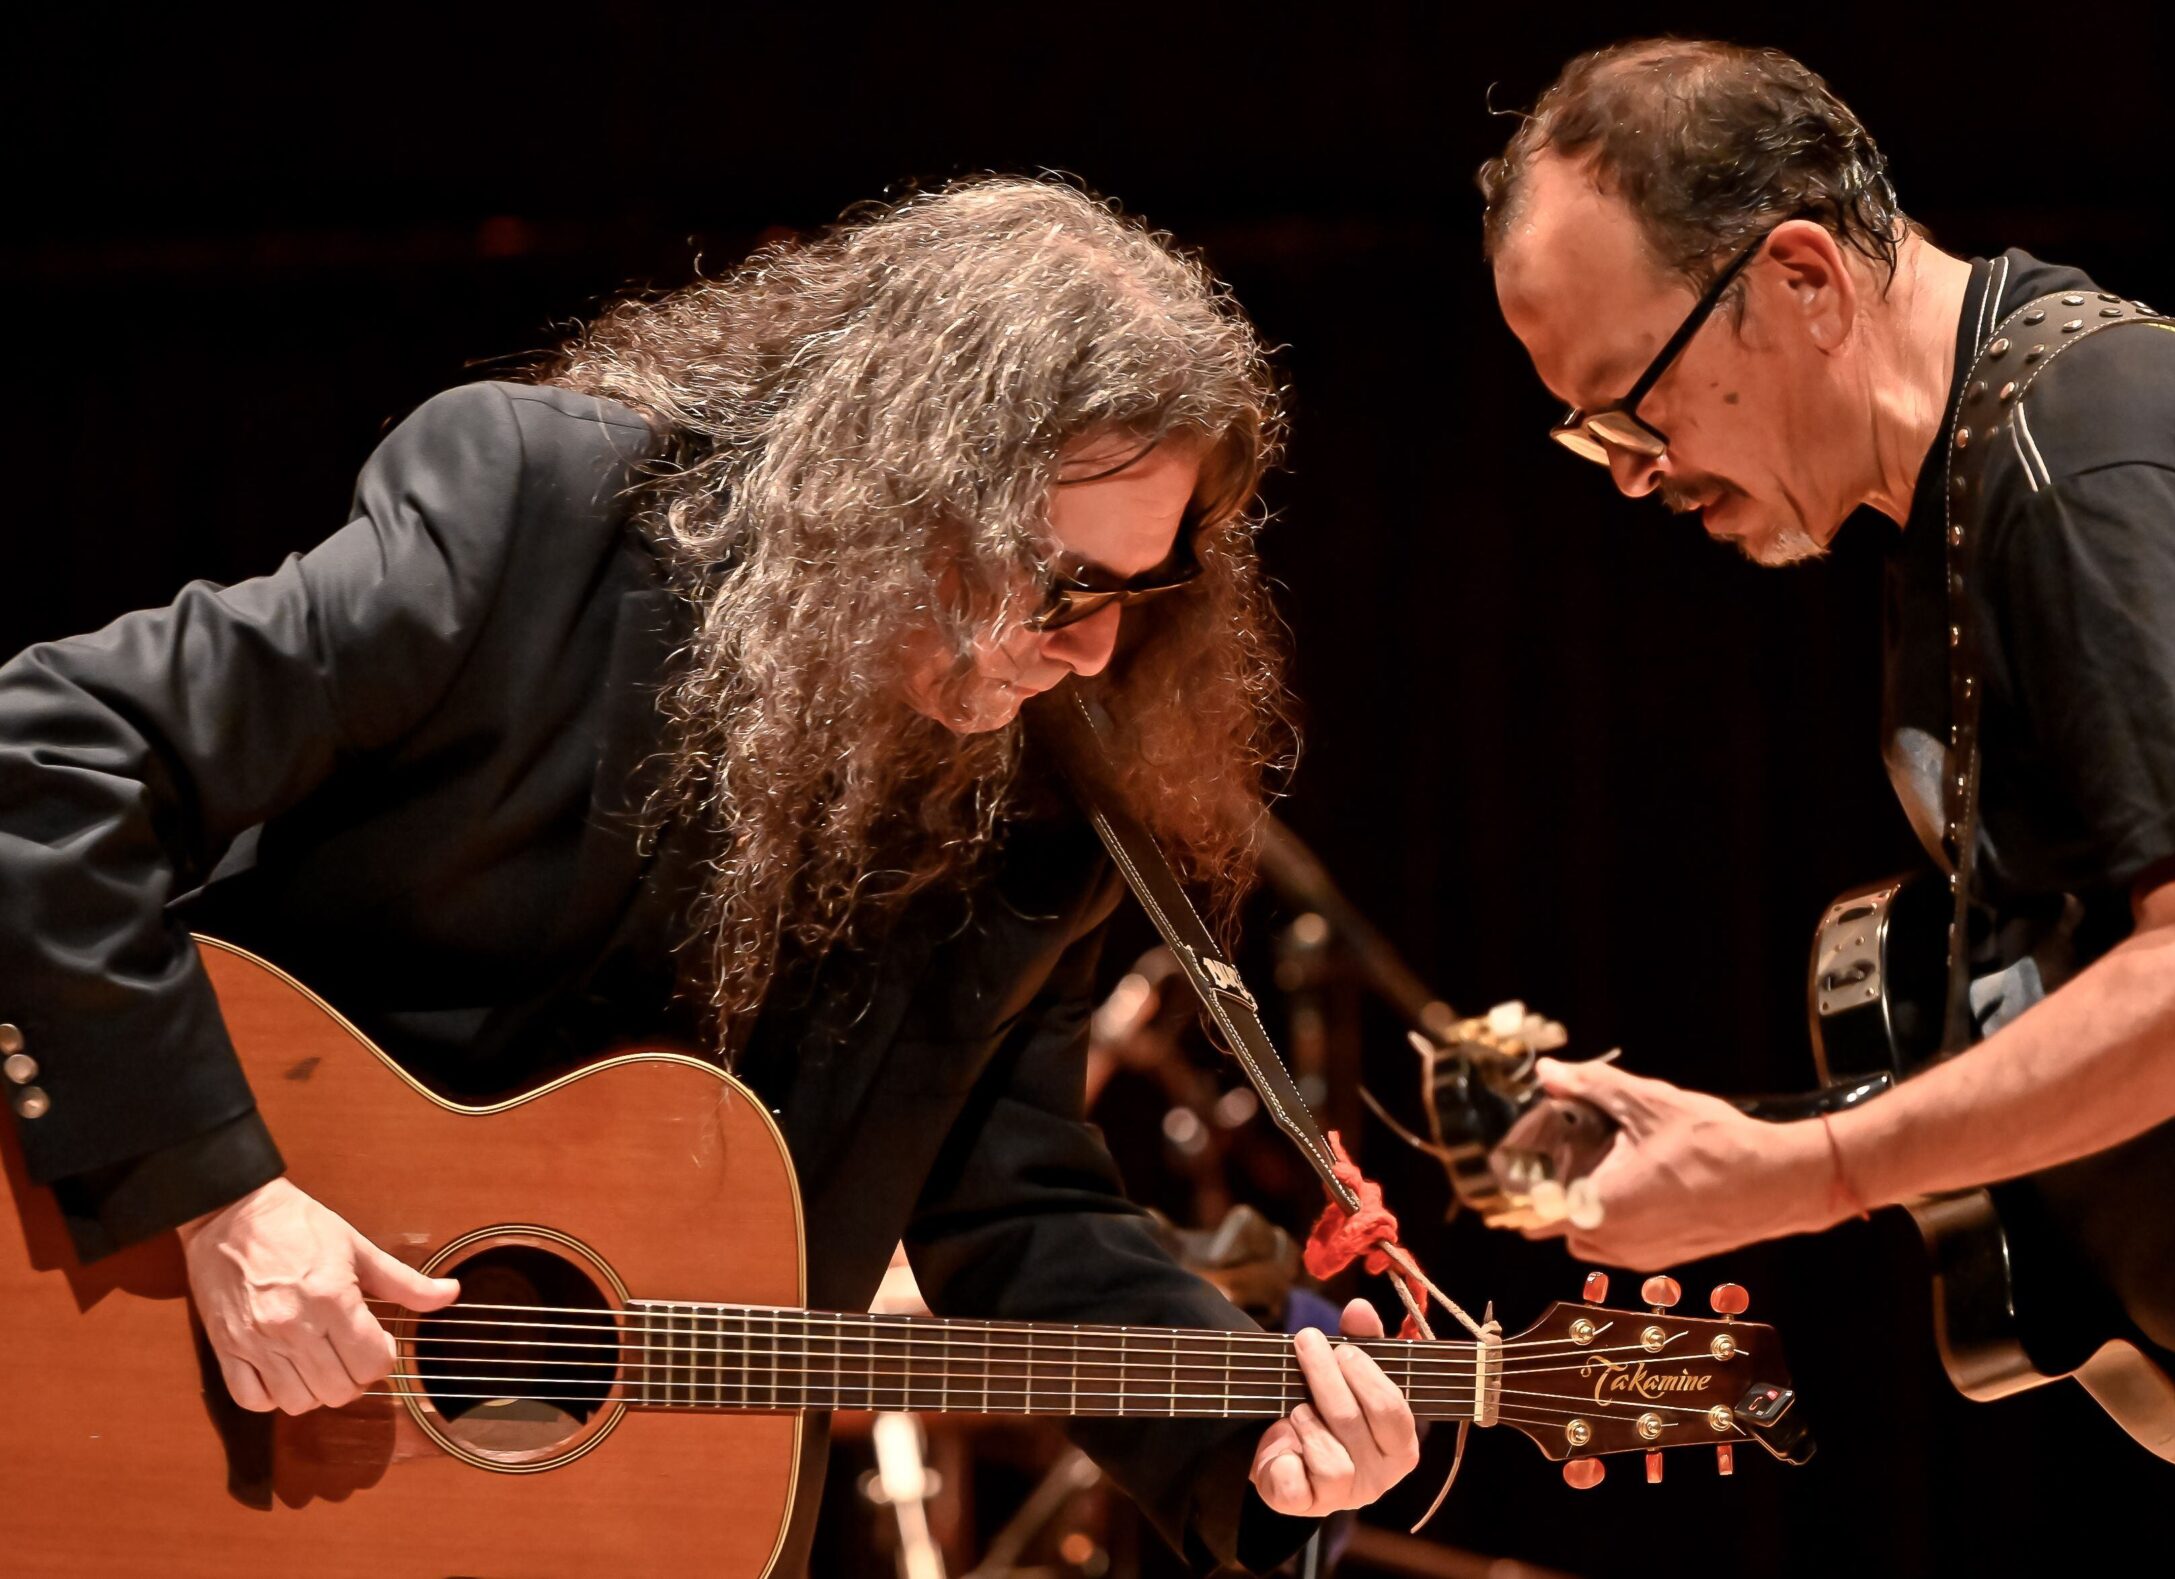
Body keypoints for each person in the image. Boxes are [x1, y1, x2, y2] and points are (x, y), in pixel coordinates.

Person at [0, 176, 1416, 1572]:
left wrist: (1255, 1448)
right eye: (1058, 582)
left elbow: (1017, 1204)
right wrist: (222, 1194)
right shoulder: (539, 525)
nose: (1094, 652)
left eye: (1132, 594)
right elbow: (47, 757)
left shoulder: (1046, 803)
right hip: (189, 1425)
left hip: (638, 1528)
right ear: (901, 489)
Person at [1478, 37, 2175, 1575]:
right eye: (1588, 435)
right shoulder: (1983, 494)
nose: (1633, 476)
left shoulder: (2091, 467)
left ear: (1802, 279)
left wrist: (1805, 1175)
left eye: (1632, 407)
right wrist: (1763, 1135)